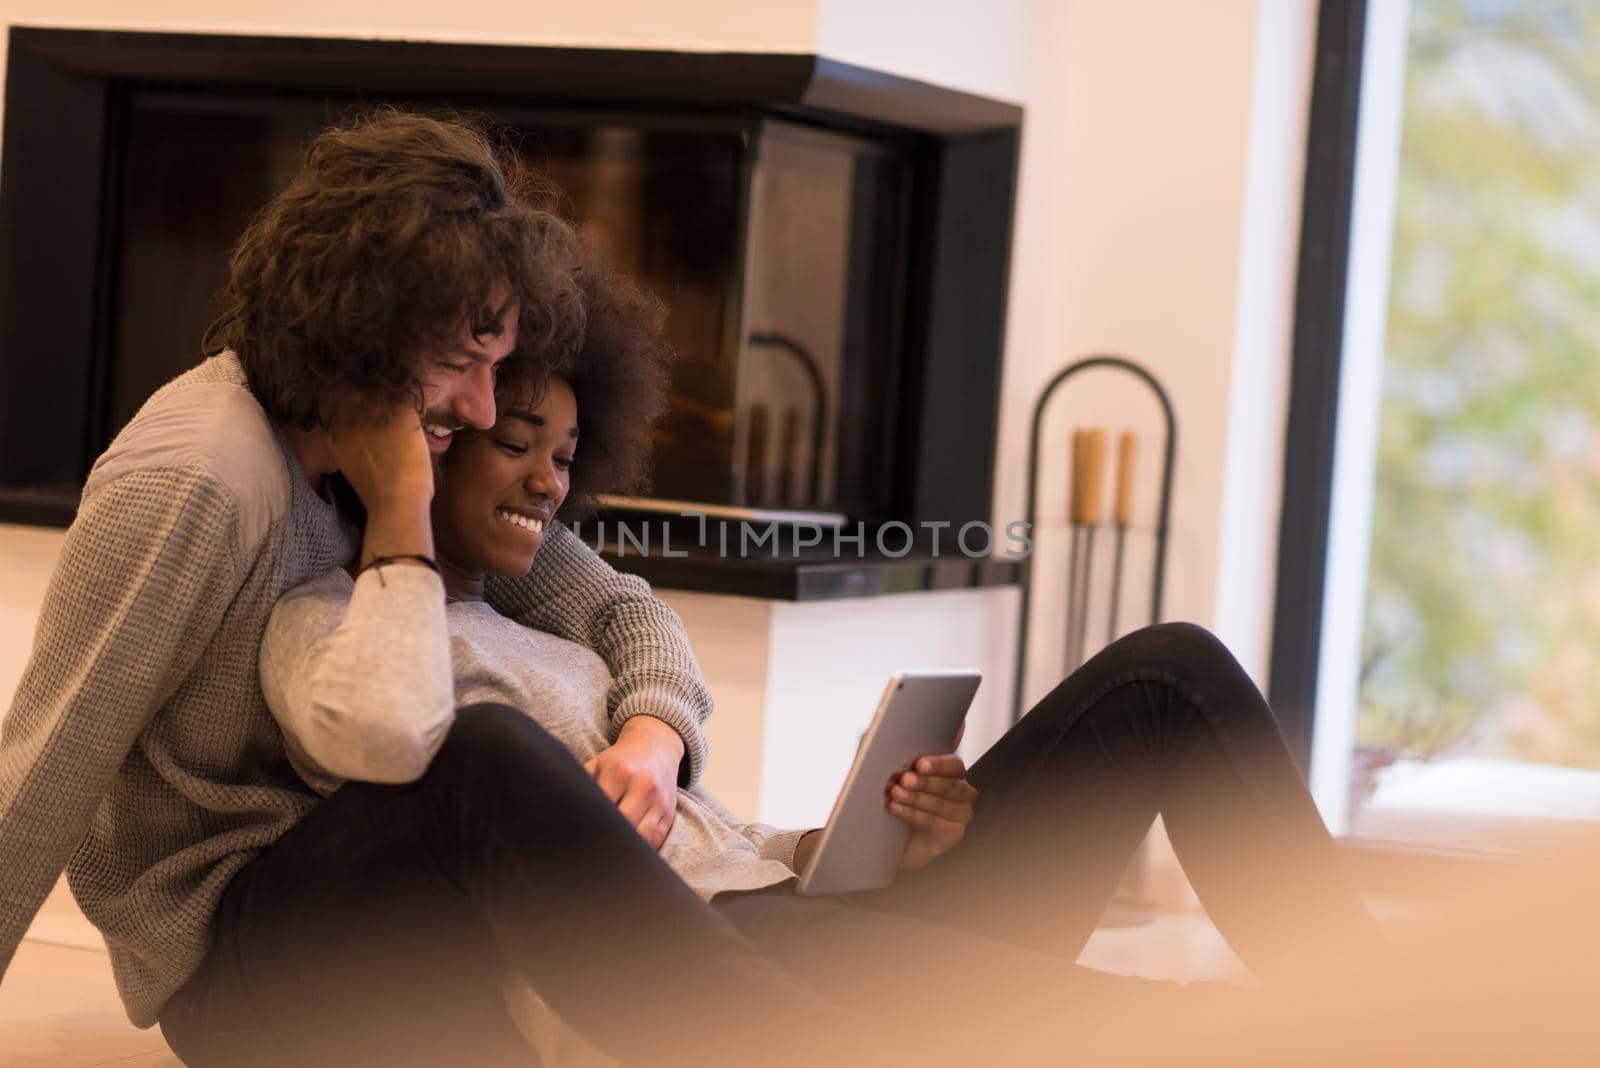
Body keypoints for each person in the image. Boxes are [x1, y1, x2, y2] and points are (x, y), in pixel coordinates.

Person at [230, 258, 1383, 1066]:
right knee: (1148, 1027)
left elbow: (708, 832)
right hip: (720, 977)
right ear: (428, 444)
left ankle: (1374, 1006)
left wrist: (867, 845)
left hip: (796, 906)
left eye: (567, 456)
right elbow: (381, 742)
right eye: (516, 444)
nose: (549, 481)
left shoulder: (552, 624)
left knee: (1167, 674)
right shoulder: (328, 621)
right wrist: (400, 514)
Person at [0, 110, 727, 1054]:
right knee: (483, 756)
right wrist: (400, 510)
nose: (476, 408)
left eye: (494, 368)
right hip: (242, 960)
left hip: (402, 898)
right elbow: (43, 772)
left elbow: (618, 607)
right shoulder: (200, 482)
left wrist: (655, 736)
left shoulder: (379, 438)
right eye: (460, 364)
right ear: (362, 329)